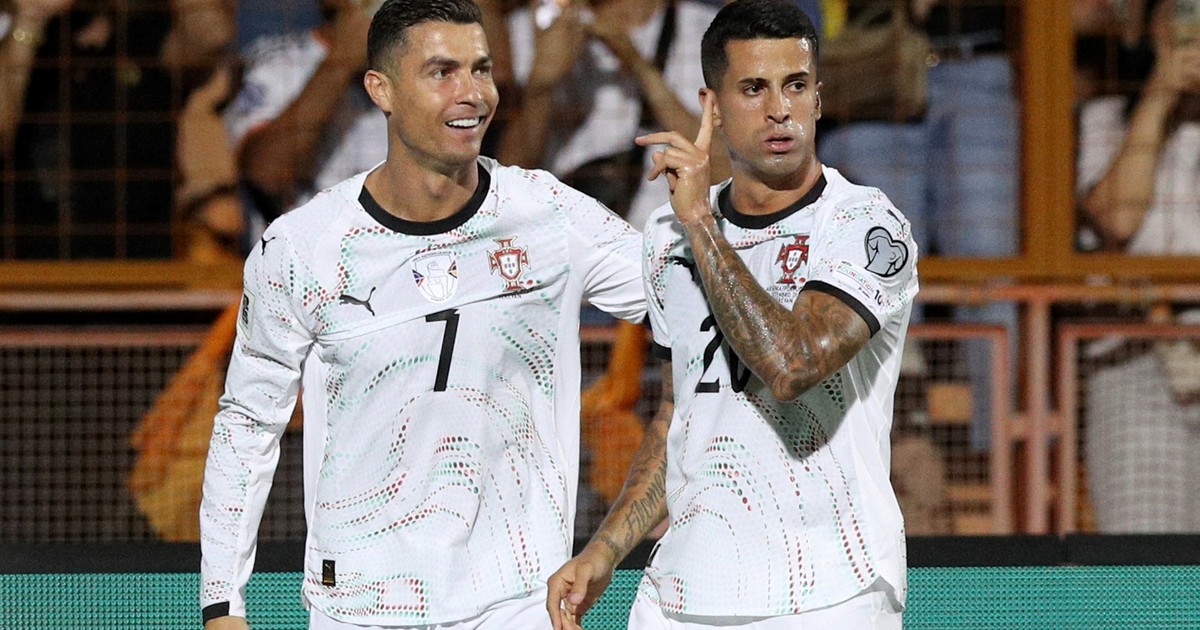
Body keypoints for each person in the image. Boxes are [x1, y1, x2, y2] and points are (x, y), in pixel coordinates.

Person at [199, 1, 647, 628]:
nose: (473, 93)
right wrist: (222, 603)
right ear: (380, 90)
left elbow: (690, 301)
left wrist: (706, 221)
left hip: (516, 603)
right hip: (360, 607)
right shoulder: (302, 247)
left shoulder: (548, 216)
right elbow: (247, 424)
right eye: (442, 72)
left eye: (481, 69)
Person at [546, 1, 917, 628]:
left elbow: (793, 364)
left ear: (818, 99)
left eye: (795, 86)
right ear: (712, 106)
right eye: (753, 89)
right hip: (682, 593)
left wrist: (700, 223)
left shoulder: (863, 225)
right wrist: (605, 550)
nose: (779, 109)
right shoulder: (666, 237)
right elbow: (679, 412)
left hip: (828, 588)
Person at [1077, 0, 1200, 532]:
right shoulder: (1104, 118)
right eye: (1182, 11)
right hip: (1138, 356)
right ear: (1150, 28)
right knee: (1146, 559)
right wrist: (1160, 96)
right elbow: (1118, 219)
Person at [0, 0, 232, 259]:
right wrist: (30, 20)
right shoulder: (16, 34)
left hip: (139, 263)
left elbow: (212, 37)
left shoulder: (150, 32)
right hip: (30, 263)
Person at [498, 0, 725, 230]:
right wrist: (542, 86)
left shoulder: (706, 27)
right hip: (565, 236)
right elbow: (503, 192)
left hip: (669, 235)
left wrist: (639, 66)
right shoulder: (525, 29)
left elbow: (727, 174)